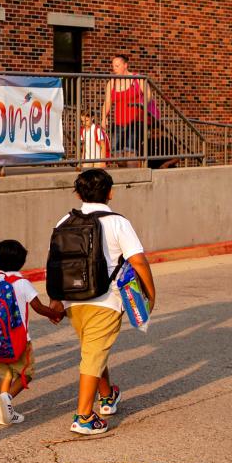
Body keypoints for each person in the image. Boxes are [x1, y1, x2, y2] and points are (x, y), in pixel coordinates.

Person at [50, 169, 157, 435]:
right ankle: (84, 417)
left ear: (78, 193)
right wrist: (151, 293)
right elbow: (138, 260)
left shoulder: (65, 220)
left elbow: (54, 263)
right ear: (110, 193)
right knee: (93, 355)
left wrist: (55, 299)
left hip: (73, 300)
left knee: (93, 349)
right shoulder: (119, 222)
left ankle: (107, 396)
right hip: (106, 300)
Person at [0, 240, 63, 426]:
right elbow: (39, 307)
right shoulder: (22, 283)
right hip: (18, 340)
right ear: (21, 262)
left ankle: (5, 412)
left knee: (5, 374)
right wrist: (56, 314)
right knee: (27, 373)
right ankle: (7, 399)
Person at [101, 54, 151, 168]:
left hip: (135, 122)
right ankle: (126, 176)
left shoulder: (137, 78)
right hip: (119, 123)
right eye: (113, 66)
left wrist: (143, 103)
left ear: (125, 65)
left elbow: (148, 94)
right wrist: (104, 118)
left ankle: (133, 179)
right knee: (116, 154)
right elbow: (107, 102)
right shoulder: (112, 82)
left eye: (117, 66)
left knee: (130, 151)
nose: (114, 68)